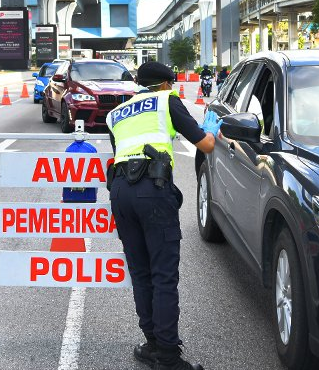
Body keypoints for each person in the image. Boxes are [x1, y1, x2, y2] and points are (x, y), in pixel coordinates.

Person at [105, 61, 222, 370]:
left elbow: (120, 153)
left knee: (141, 273)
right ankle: (168, 358)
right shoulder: (166, 100)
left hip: (120, 192)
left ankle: (152, 345)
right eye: (172, 83)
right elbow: (206, 145)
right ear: (165, 83)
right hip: (153, 191)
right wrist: (211, 129)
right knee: (164, 275)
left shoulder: (117, 112)